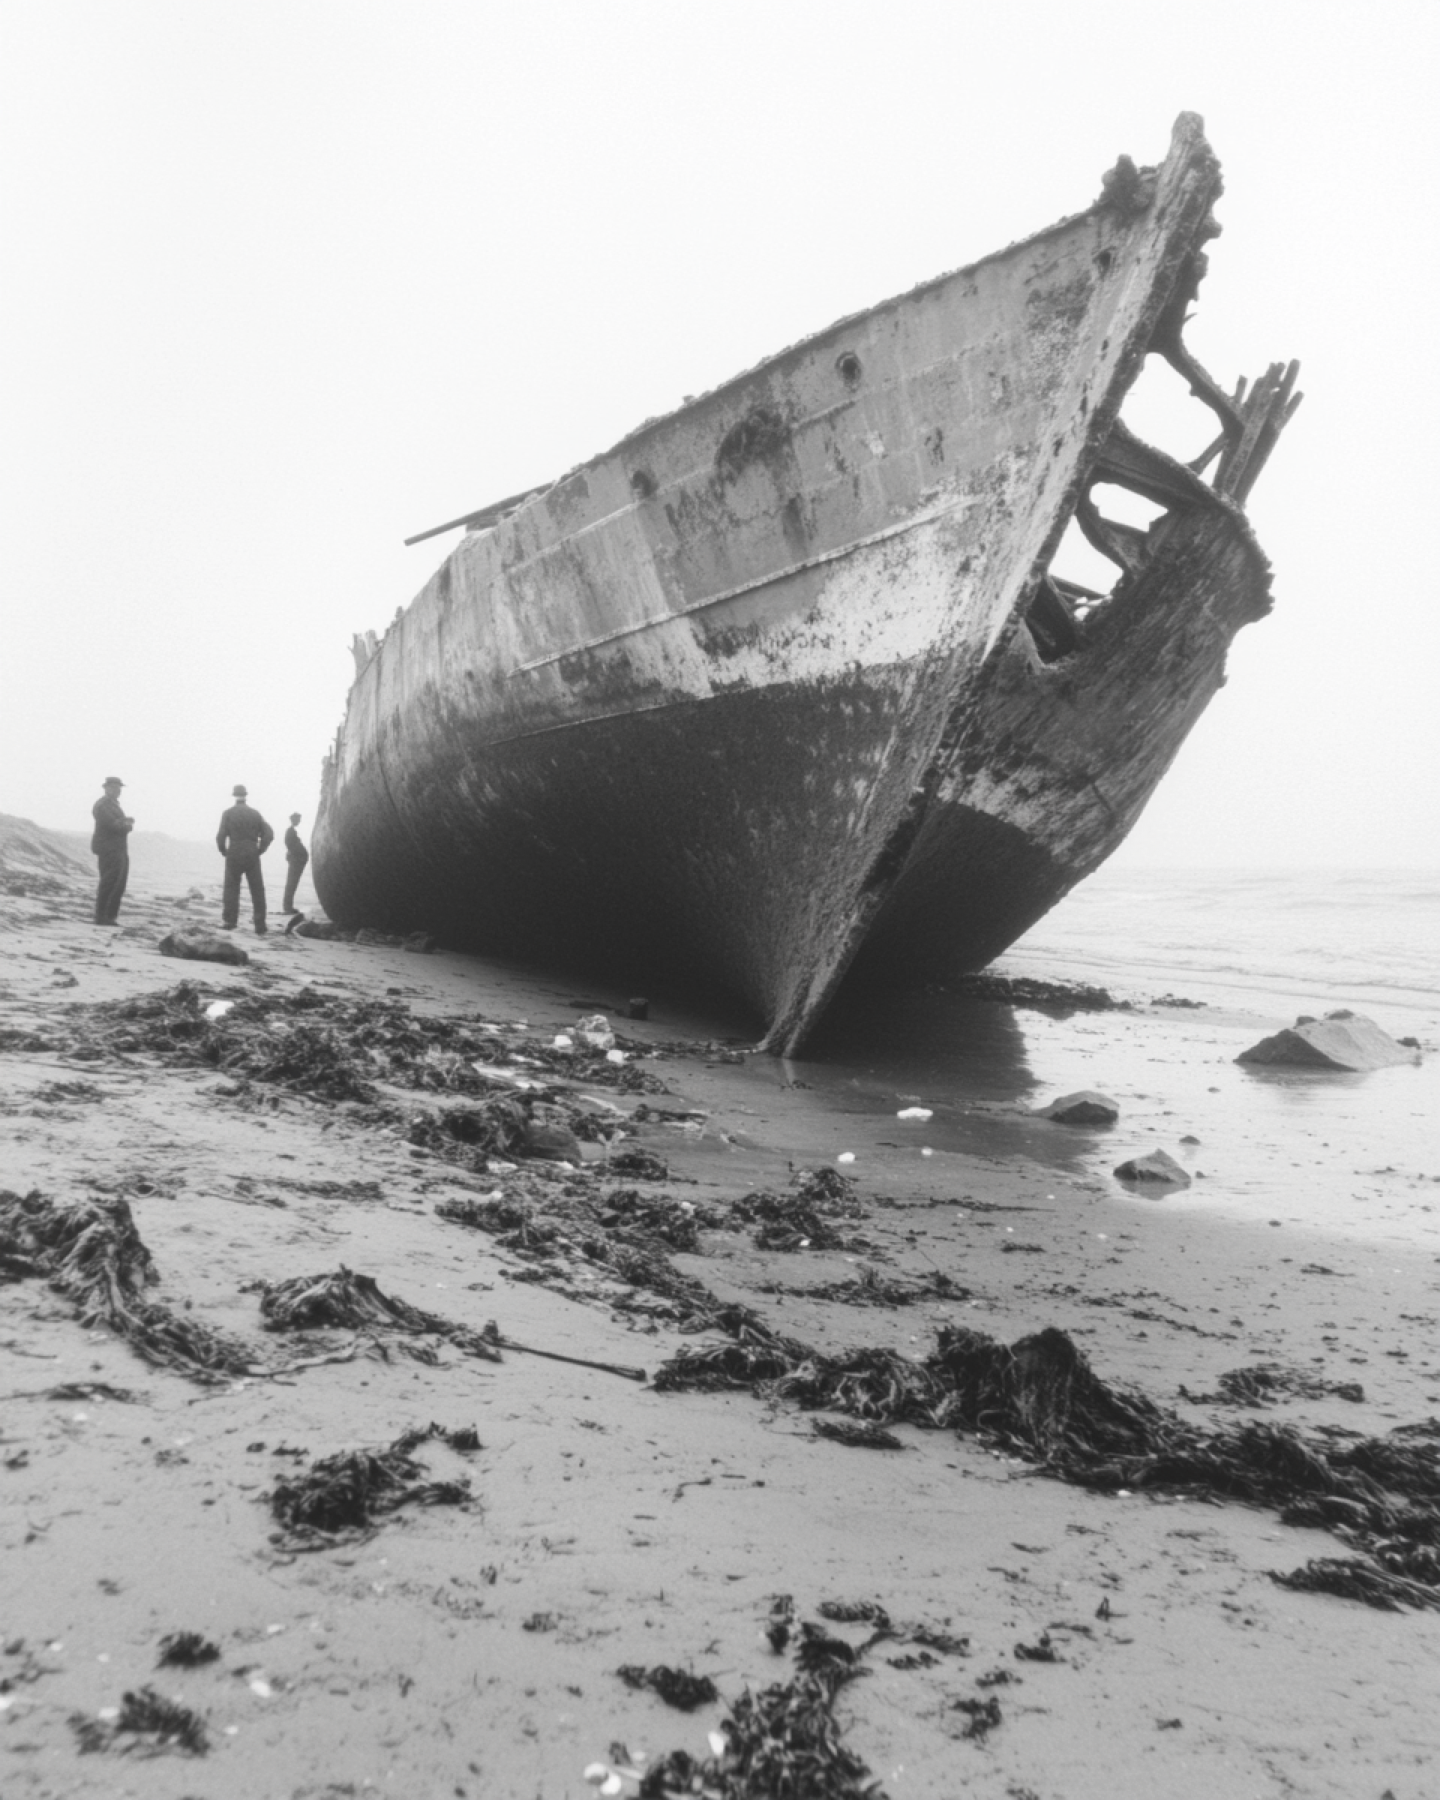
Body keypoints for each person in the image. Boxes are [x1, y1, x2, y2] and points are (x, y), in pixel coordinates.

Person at [216, 784, 274, 934]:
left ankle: (230, 922)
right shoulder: (255, 814)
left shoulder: (228, 813)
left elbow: (220, 836)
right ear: (245, 796)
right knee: (257, 890)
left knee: (231, 889)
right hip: (251, 852)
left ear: (234, 796)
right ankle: (260, 925)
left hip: (234, 852)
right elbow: (269, 834)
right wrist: (260, 849)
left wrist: (224, 851)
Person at [91, 776, 134, 925]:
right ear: (106, 788)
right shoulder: (103, 805)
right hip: (109, 849)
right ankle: (102, 916)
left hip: (117, 848)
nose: (118, 791)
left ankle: (109, 916)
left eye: (119, 788)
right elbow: (114, 826)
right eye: (115, 788)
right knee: (109, 882)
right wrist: (127, 824)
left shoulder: (112, 805)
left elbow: (117, 824)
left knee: (118, 882)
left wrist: (124, 823)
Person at [281, 812, 309, 913]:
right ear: (294, 820)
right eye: (298, 819)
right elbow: (290, 845)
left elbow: (290, 846)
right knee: (291, 883)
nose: (299, 821)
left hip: (296, 860)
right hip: (296, 861)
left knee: (292, 883)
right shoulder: (290, 831)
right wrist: (294, 855)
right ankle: (287, 907)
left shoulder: (291, 831)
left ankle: (288, 906)